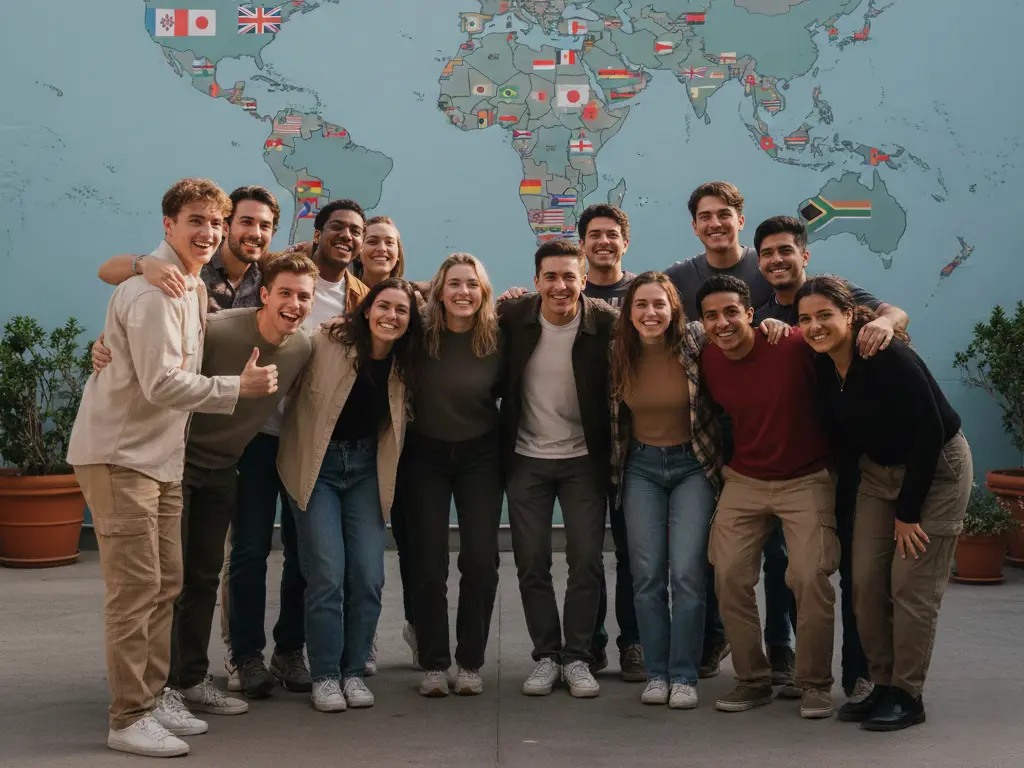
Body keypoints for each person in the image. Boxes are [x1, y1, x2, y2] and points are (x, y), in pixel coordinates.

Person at [67, 178, 277, 757]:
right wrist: (240, 387)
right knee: (135, 591)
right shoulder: (154, 289)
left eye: (215, 222)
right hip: (120, 456)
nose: (208, 233)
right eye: (196, 221)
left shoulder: (185, 285)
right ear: (168, 225)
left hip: (160, 459)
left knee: (166, 585)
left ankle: (155, 697)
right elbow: (161, 384)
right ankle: (128, 716)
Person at [94, 186, 315, 696]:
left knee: (200, 573)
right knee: (160, 581)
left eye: (263, 226)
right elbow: (124, 296)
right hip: (171, 449)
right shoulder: (188, 279)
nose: (248, 232)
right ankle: (156, 690)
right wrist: (111, 333)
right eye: (239, 223)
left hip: (231, 455)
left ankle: (188, 677)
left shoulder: (279, 291)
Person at [796, 276, 972, 732]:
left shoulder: (886, 355)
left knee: (910, 585)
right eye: (805, 319)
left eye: (824, 316)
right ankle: (881, 682)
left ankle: (907, 694)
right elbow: (844, 438)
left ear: (850, 315)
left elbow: (930, 431)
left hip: (935, 471)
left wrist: (908, 513)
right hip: (879, 472)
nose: (815, 326)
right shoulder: (822, 366)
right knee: (866, 582)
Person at [753, 214, 912, 703]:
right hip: (798, 463)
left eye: (786, 250)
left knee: (855, 571)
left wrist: (883, 323)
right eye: (768, 253)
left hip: (851, 462)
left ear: (805, 254)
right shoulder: (760, 309)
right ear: (758, 262)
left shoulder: (835, 294)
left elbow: (896, 313)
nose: (777, 260)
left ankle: (858, 672)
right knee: (789, 565)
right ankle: (788, 658)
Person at [494, 203, 645, 681]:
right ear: (536, 281)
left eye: (569, 277)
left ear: (584, 279)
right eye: (551, 277)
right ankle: (546, 656)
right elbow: (448, 308)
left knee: (586, 562)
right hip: (526, 461)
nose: (561, 286)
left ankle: (578, 657)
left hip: (584, 461)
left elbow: (668, 332)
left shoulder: (605, 324)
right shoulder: (512, 317)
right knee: (532, 562)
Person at [277, 278, 423, 712]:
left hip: (364, 470)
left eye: (402, 310)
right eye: (384, 306)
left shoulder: (406, 362)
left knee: (368, 577)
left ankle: (353, 671)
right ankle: (325, 675)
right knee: (325, 574)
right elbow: (273, 348)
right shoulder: (326, 339)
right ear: (366, 309)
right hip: (317, 466)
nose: (391, 316)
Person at [697, 274, 839, 720]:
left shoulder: (792, 344)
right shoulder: (707, 360)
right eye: (711, 316)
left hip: (806, 477)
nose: (722, 323)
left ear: (751, 314)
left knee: (809, 576)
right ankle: (753, 679)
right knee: (729, 575)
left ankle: (814, 683)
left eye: (731, 312)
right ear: (701, 323)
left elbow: (846, 339)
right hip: (745, 478)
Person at [661, 182, 783, 685]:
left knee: (778, 553)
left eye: (724, 215)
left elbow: (831, 307)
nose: (714, 224)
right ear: (694, 225)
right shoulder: (679, 277)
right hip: (709, 433)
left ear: (739, 218)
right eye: (704, 217)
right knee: (715, 547)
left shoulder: (769, 267)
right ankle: (715, 638)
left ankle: (781, 647)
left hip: (770, 429)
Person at [609, 272, 721, 709]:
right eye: (641, 305)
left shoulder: (696, 343)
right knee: (647, 574)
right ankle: (656, 673)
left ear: (674, 308)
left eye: (659, 304)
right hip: (641, 468)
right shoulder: (618, 352)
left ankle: (684, 676)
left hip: (693, 465)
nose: (650, 313)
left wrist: (771, 325)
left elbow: (738, 330)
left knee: (689, 573)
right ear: (629, 311)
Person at [405, 253, 503, 697]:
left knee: (481, 559)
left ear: (484, 291)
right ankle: (433, 662)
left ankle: (469, 662)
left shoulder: (499, 336)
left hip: (480, 456)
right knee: (428, 561)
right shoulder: (417, 336)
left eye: (472, 284)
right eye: (454, 284)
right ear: (437, 290)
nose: (464, 292)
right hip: (424, 455)